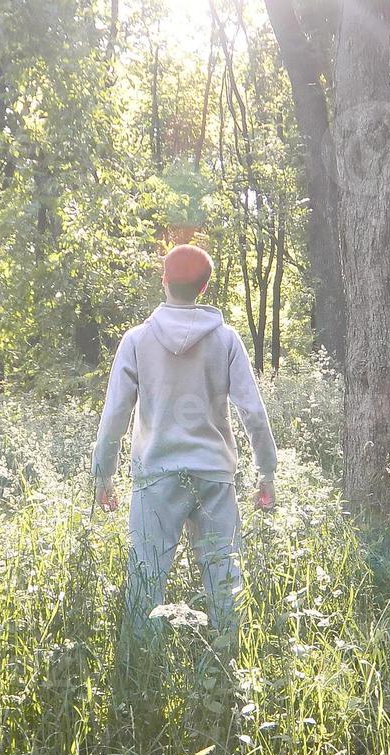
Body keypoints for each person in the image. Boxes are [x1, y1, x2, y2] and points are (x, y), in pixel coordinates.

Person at [91, 243, 278, 714]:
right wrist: (267, 473)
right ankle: (227, 680)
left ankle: (140, 686)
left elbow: (115, 414)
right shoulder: (226, 339)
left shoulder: (137, 339)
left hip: (156, 476)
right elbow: (252, 412)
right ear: (205, 286)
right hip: (215, 474)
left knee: (147, 577)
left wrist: (103, 476)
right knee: (222, 576)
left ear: (163, 280)